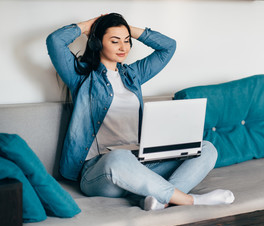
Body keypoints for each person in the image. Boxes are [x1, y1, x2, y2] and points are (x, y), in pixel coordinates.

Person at [46, 13, 234, 210]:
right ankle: (188, 200)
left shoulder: (133, 75)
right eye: (115, 41)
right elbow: (55, 41)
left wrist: (127, 29)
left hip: (142, 165)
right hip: (101, 172)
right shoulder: (81, 77)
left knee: (206, 149)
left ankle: (160, 200)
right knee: (119, 157)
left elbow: (168, 46)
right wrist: (90, 26)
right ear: (96, 43)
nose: (123, 47)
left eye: (126, 41)